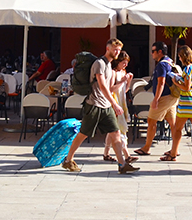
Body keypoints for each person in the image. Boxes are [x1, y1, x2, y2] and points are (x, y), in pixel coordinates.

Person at [61, 38, 138, 174]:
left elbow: (110, 88)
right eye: (115, 49)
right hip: (94, 104)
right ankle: (68, 160)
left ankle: (122, 164)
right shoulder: (99, 64)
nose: (117, 52)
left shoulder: (109, 65)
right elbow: (102, 86)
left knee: (116, 133)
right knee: (83, 134)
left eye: (119, 50)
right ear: (107, 48)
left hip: (106, 105)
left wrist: (122, 83)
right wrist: (115, 104)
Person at [134, 41, 178, 157]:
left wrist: (156, 99)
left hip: (164, 97)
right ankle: (175, 149)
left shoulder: (162, 65)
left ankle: (146, 148)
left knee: (151, 121)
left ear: (160, 52)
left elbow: (161, 82)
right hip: (172, 97)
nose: (151, 54)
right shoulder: (170, 61)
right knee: (172, 123)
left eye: (153, 51)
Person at [104, 51, 135, 163]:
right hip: (115, 103)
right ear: (118, 62)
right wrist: (122, 81)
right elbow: (111, 89)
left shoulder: (123, 72)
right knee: (120, 129)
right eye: (123, 62)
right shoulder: (113, 73)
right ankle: (127, 156)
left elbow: (124, 90)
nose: (125, 65)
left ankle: (106, 153)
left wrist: (128, 81)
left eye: (126, 63)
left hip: (121, 102)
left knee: (113, 129)